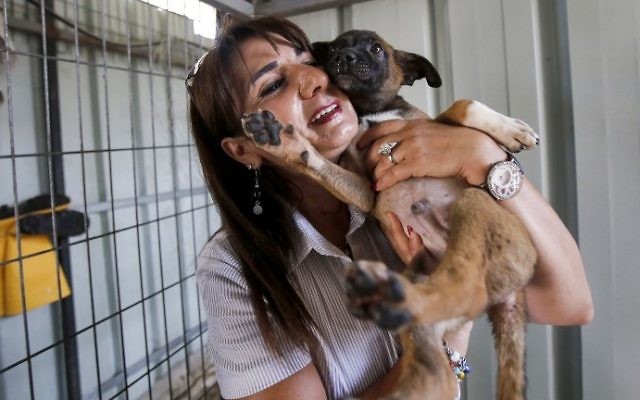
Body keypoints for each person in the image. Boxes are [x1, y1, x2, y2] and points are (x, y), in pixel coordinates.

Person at [187, 15, 592, 400]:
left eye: (310, 61)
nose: (314, 80)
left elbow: (570, 304)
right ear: (243, 149)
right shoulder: (232, 271)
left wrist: (488, 158)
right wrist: (452, 331)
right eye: (273, 85)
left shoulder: (410, 160)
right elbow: (454, 366)